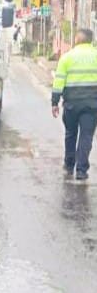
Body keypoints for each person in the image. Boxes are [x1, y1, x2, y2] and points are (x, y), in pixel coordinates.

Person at [52, 28, 97, 180]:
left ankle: (69, 164)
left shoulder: (67, 57)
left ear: (77, 39)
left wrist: (54, 102)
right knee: (86, 136)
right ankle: (82, 171)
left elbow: (58, 82)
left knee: (71, 134)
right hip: (91, 105)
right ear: (91, 40)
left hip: (71, 104)